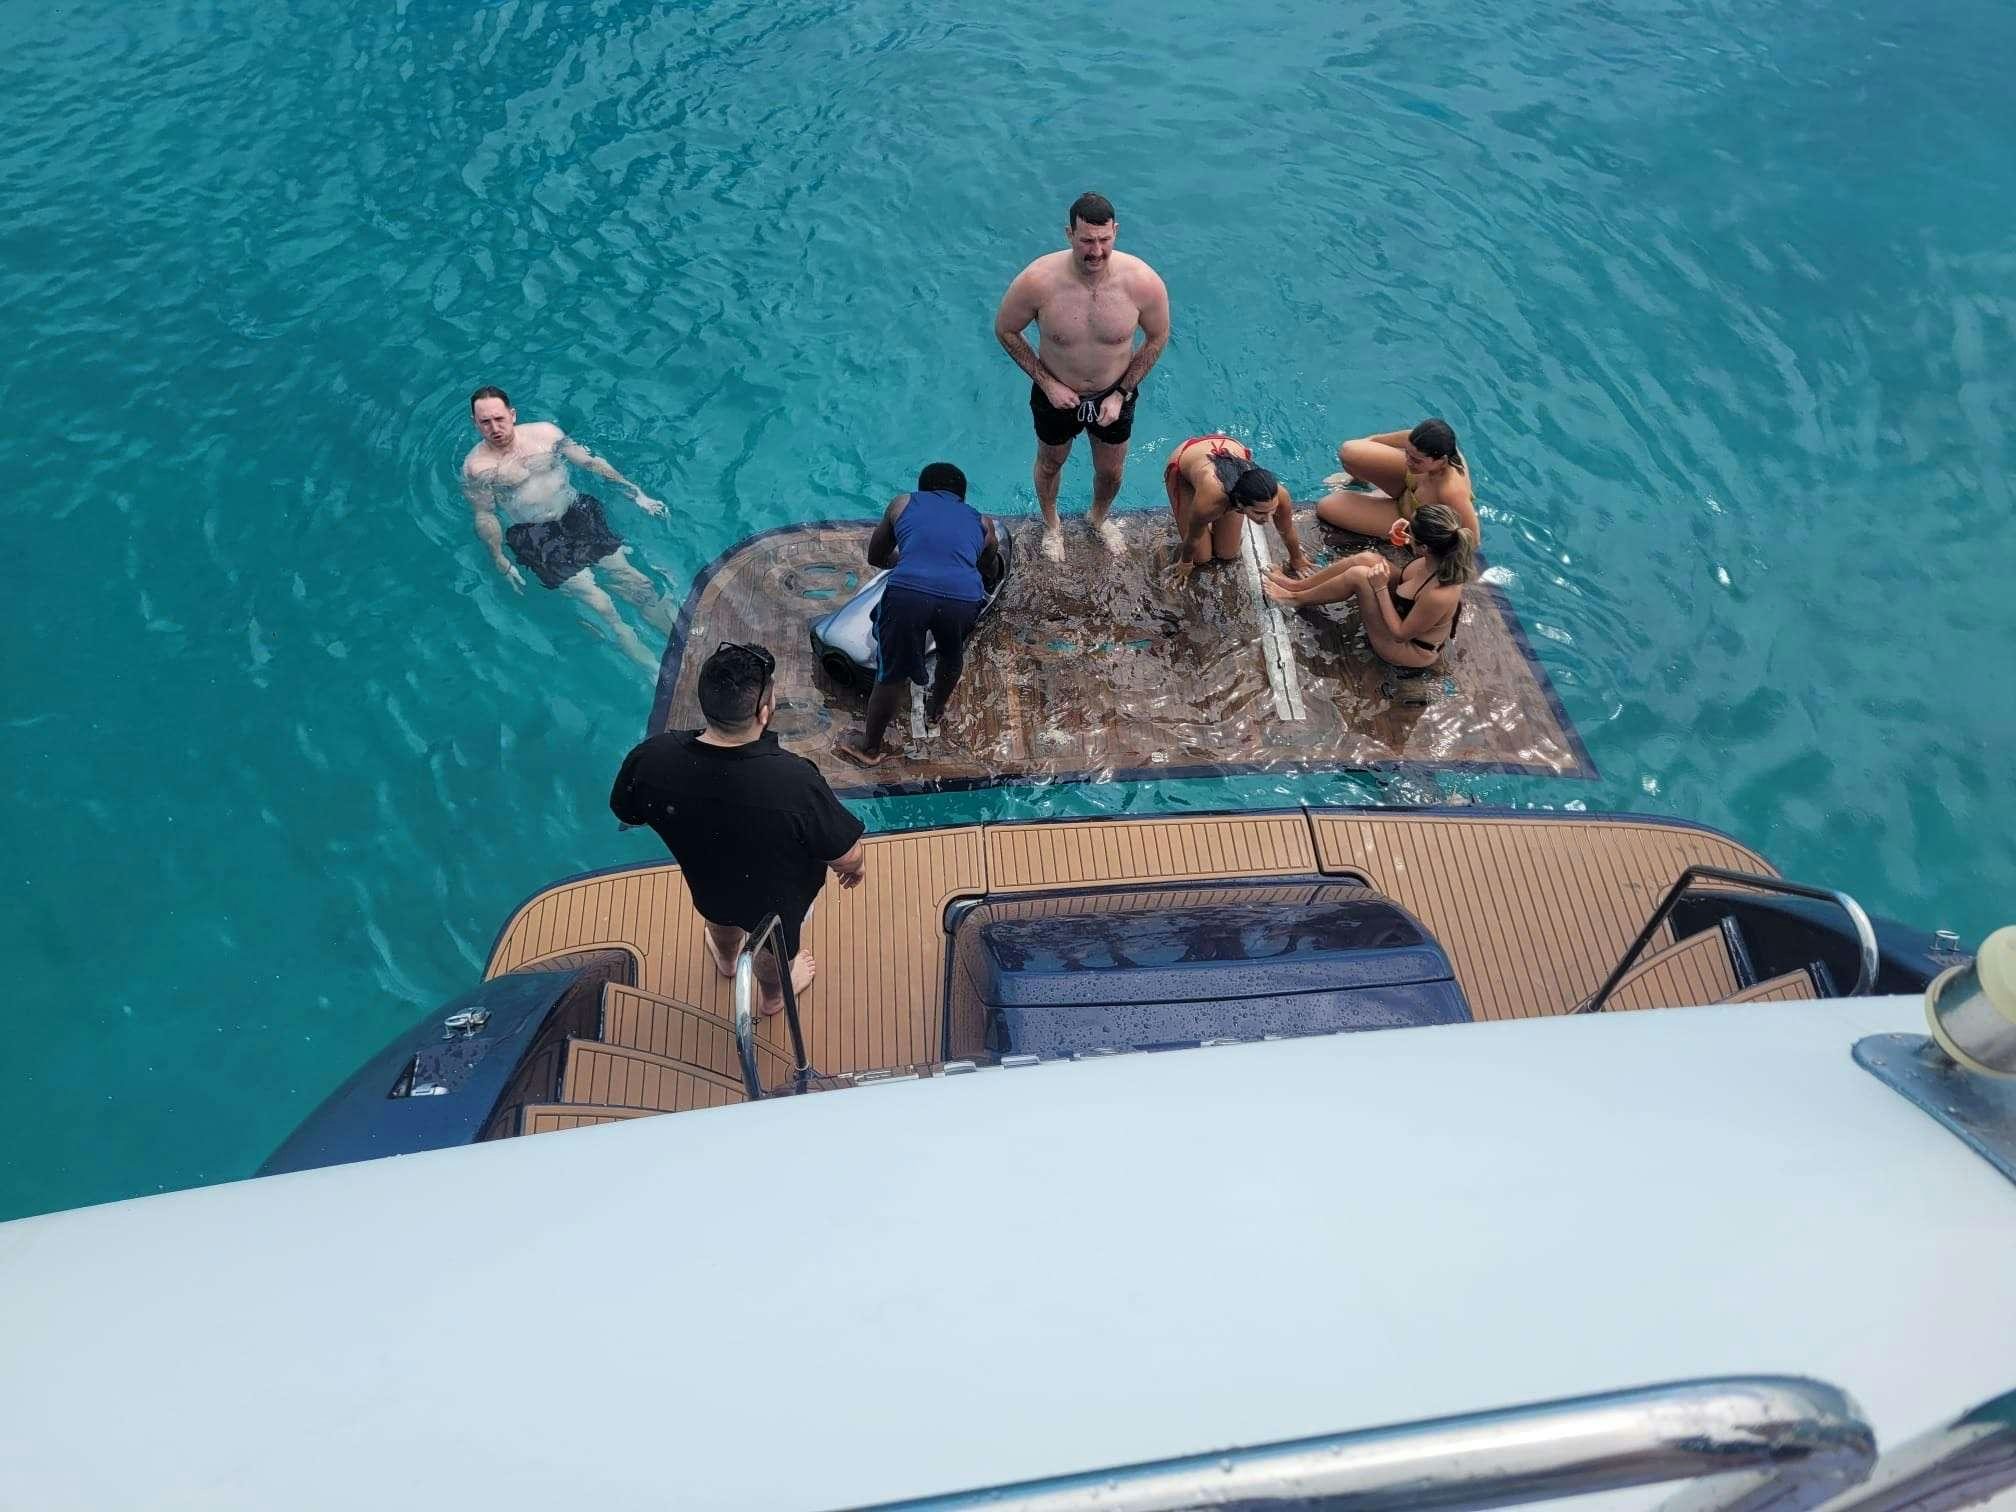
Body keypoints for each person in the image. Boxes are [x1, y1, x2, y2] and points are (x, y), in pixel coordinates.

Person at [609, 642, 867, 1016]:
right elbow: (844, 853)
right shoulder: (793, 781)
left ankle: (728, 962)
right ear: (765, 712)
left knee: (720, 915)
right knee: (770, 943)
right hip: (778, 898)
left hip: (708, 879)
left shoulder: (653, 758)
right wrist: (855, 867)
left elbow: (628, 812)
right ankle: (774, 998)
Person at [994, 192, 1172, 562]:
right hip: (1056, 392)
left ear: (1115, 233)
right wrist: (1047, 383)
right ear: (1068, 234)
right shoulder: (1038, 281)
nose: (1096, 251)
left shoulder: (1142, 282)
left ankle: (1098, 518)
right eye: (1087, 240)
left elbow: (1157, 338)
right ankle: (1052, 524)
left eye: (1104, 240)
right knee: (1050, 462)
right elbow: (1006, 330)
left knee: (1111, 471)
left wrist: (1122, 392)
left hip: (1114, 392)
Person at [461, 385, 676, 670]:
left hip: (575, 513)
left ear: (512, 414)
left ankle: (685, 639)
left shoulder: (546, 434)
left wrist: (635, 492)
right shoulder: (477, 468)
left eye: (499, 418)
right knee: (601, 606)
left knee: (637, 584)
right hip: (536, 536)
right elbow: (484, 515)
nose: (494, 428)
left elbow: (589, 461)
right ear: (475, 423)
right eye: (485, 422)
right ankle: (654, 669)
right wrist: (498, 557)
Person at [834, 462, 1001, 769]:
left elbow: (877, 557)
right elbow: (989, 570)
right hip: (963, 596)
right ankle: (935, 711)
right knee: (952, 656)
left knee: (891, 674)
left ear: (923, 490)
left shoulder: (903, 503)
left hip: (908, 592)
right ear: (961, 497)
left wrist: (911, 558)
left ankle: (869, 749)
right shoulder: (983, 522)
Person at [1263, 502, 1476, 670]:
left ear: (1424, 548)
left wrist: (1381, 588)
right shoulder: (1441, 554)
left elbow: (1400, 634)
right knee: (1366, 559)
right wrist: (1404, 534)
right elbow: (1411, 566)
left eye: (1412, 533)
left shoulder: (1439, 594)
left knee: (1359, 576)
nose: (1407, 532)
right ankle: (1297, 585)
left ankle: (1294, 599)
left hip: (1406, 649)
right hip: (1405, 608)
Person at [1162, 433, 1312, 585]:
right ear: (1239, 504)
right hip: (1186, 458)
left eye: (1271, 511)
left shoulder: (1278, 495)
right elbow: (1193, 537)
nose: (1267, 519)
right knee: (1201, 557)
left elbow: (1286, 530)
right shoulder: (1211, 500)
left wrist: (1297, 558)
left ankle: (1219, 526)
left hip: (1229, 450)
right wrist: (1186, 562)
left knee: (1227, 553)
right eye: (1259, 512)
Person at [1314, 418, 1480, 543]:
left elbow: (1472, 539)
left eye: (1416, 460)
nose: (1408, 461)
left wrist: (1419, 541)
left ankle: (1377, 496)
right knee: (1350, 451)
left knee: (1326, 506)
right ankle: (1360, 483)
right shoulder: (1421, 441)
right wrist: (1363, 468)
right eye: (1407, 453)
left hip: (1404, 516)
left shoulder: (1451, 491)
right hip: (1404, 484)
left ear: (1441, 460)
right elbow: (1373, 441)